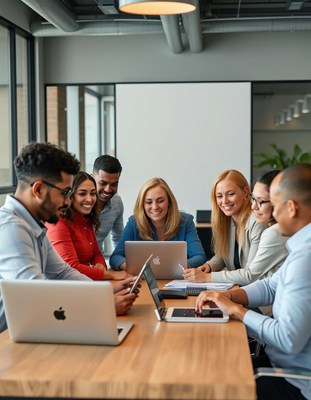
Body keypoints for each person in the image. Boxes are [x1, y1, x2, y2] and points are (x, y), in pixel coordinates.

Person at [196, 164, 311, 400]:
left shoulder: (305, 260)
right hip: (276, 362)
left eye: (274, 205)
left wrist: (236, 311)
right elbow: (270, 286)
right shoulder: (300, 248)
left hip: (293, 382)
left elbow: (287, 339)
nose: (271, 216)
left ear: (291, 208)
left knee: (209, 384)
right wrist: (229, 297)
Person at [0, 143, 137, 333]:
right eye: (64, 193)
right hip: (11, 338)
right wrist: (101, 305)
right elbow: (34, 300)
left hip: (34, 330)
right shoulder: (11, 229)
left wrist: (103, 292)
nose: (67, 202)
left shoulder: (33, 225)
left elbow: (63, 272)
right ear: (38, 190)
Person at [184, 169, 288, 285]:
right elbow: (224, 254)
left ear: (245, 193)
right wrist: (209, 266)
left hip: (255, 292)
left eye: (231, 194)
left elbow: (250, 275)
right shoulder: (228, 221)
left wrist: (207, 277)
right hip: (245, 289)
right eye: (219, 196)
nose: (224, 201)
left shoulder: (258, 222)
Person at [46, 171, 130, 281]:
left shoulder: (86, 220)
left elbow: (97, 254)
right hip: (64, 289)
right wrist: (110, 275)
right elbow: (71, 267)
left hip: (85, 285)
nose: (90, 199)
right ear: (70, 196)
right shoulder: (58, 222)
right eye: (82, 193)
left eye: (93, 193)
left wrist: (100, 265)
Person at [110, 177, 206, 270]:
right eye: (149, 202)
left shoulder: (185, 221)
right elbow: (115, 257)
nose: (155, 207)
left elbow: (199, 256)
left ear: (169, 201)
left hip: (177, 279)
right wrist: (133, 268)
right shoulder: (134, 223)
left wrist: (181, 267)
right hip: (144, 281)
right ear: (142, 205)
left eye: (160, 201)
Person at [92, 155, 124, 254]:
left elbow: (119, 239)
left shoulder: (116, 203)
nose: (108, 189)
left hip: (98, 260)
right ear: (91, 177)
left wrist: (120, 262)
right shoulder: (80, 202)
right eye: (102, 183)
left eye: (114, 184)